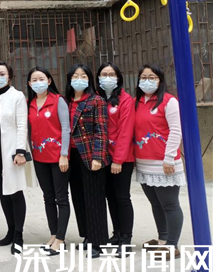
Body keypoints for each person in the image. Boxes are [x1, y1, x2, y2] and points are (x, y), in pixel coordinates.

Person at [134, 64, 185, 260]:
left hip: (164, 163)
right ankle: (163, 239)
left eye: (152, 77)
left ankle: (172, 245)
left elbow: (176, 130)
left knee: (170, 204)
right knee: (156, 204)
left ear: (160, 81)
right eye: (143, 77)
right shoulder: (137, 102)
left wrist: (169, 157)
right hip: (144, 162)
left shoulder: (169, 101)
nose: (147, 81)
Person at [0, 60, 29, 255]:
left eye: (2, 74)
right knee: (3, 193)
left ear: (9, 77)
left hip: (11, 151)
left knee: (15, 192)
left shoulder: (17, 96)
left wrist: (20, 151)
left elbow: (22, 125)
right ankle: (10, 230)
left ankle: (19, 235)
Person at [65, 63, 109, 258]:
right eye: (75, 76)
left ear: (90, 80)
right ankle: (87, 236)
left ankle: (98, 242)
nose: (79, 80)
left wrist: (98, 157)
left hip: (90, 155)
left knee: (94, 199)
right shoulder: (66, 101)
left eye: (83, 76)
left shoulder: (96, 100)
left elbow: (101, 130)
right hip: (71, 156)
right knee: (78, 197)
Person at [27, 66, 70, 256]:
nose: (38, 83)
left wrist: (64, 154)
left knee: (61, 198)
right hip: (39, 158)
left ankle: (61, 239)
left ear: (49, 81)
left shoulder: (58, 101)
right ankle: (53, 234)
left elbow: (66, 128)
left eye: (41, 79)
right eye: (34, 80)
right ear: (29, 84)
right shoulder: (30, 104)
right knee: (48, 197)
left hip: (58, 158)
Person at [96, 62, 136, 257]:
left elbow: (126, 131)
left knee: (122, 196)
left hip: (121, 158)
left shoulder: (125, 100)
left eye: (111, 74)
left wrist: (118, 160)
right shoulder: (97, 98)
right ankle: (117, 233)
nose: (107, 78)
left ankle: (126, 238)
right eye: (104, 74)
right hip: (102, 157)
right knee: (110, 196)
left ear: (118, 78)